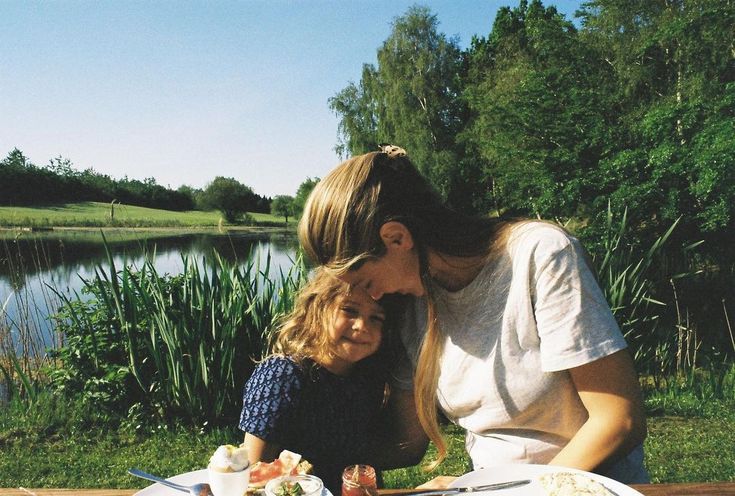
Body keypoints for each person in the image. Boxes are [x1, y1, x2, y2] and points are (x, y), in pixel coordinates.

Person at [296, 145, 649, 485]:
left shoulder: (539, 255)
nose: (372, 297)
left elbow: (618, 419)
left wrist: (519, 489)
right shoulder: (413, 305)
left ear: (397, 239)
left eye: (367, 280)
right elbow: (409, 439)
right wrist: (306, 461)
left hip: (584, 486)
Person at [239, 268, 396, 494]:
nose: (362, 325)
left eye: (376, 318)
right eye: (349, 310)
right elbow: (252, 479)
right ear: (317, 309)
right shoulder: (281, 376)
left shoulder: (367, 377)